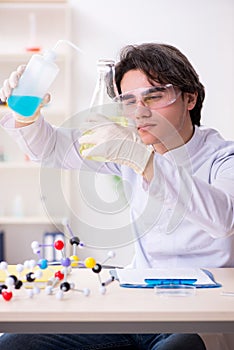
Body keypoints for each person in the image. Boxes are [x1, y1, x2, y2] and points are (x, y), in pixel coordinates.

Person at [0, 42, 234, 350]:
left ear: (189, 98)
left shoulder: (223, 157)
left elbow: (223, 218)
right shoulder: (129, 149)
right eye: (128, 101)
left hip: (198, 313)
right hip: (139, 306)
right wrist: (26, 117)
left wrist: (144, 160)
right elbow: (52, 150)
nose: (140, 112)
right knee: (15, 343)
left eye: (155, 96)